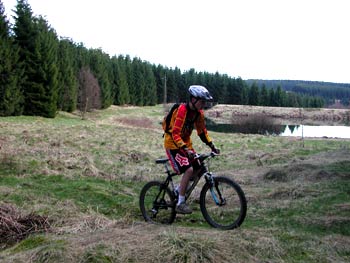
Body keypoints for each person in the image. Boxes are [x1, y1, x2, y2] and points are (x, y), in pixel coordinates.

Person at [164, 85, 220, 214]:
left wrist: (212, 145)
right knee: (188, 169)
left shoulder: (198, 113)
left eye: (205, 102)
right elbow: (175, 133)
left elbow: (202, 132)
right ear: (193, 99)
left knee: (199, 165)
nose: (204, 104)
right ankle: (180, 202)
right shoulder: (182, 111)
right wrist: (185, 149)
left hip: (185, 144)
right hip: (173, 144)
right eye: (202, 101)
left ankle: (179, 190)